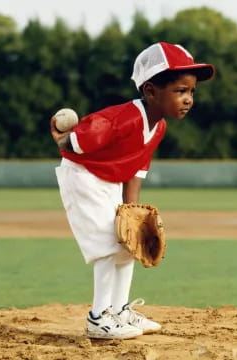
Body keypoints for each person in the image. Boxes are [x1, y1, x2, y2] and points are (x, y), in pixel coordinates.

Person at [50, 42, 215, 340]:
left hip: (111, 180)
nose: (189, 99)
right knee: (107, 245)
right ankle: (99, 318)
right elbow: (72, 144)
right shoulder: (121, 119)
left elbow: (137, 169)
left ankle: (120, 310)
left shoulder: (159, 126)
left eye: (191, 92)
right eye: (180, 90)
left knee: (129, 242)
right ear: (151, 91)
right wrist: (62, 135)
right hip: (84, 176)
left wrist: (132, 212)